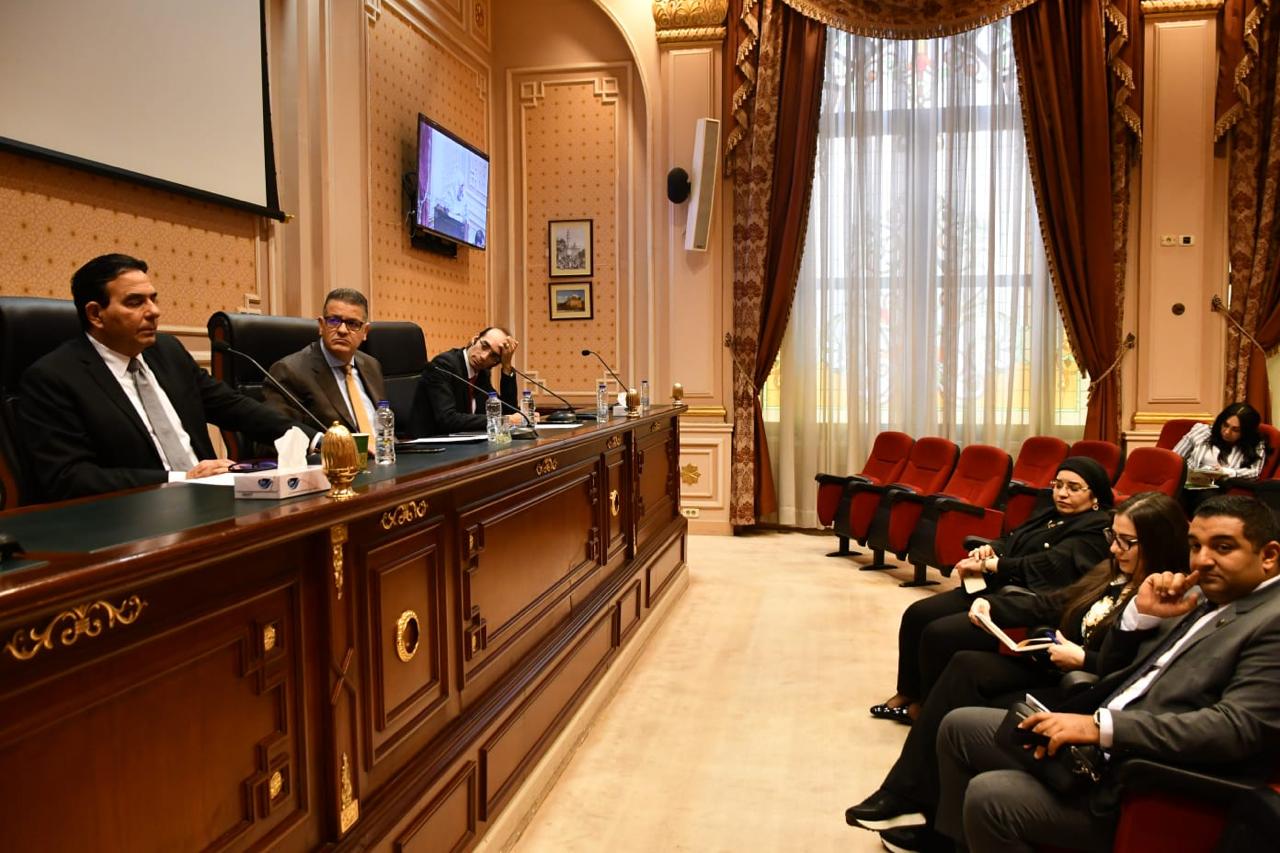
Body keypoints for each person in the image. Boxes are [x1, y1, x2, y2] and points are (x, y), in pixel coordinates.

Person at [930, 495, 1280, 853]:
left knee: (990, 797)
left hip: (1144, 777)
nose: (1203, 560)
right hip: (1099, 740)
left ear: (1268, 555)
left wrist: (1102, 728)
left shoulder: (1271, 620)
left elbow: (1235, 728)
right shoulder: (1199, 593)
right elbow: (1120, 667)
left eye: (1223, 547)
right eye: (1195, 546)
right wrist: (1139, 615)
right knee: (959, 726)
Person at [846, 492, 1188, 850]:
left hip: (1083, 690)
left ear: (1159, 542)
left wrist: (1083, 659)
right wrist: (993, 607)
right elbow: (1057, 602)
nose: (1115, 549)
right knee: (966, 666)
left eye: (1127, 541)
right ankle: (905, 795)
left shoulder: (1165, 598)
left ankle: (936, 825)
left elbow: (1136, 672)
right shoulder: (1114, 570)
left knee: (968, 706)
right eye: (1112, 537)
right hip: (1056, 666)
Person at [18, 253, 303, 502]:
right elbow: (70, 477)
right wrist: (181, 478)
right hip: (131, 517)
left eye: (153, 299)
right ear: (95, 314)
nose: (154, 311)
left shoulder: (167, 351)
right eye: (135, 302)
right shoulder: (54, 377)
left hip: (210, 501)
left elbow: (233, 407)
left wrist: (315, 440)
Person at [871, 457, 1114, 725]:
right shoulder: (1051, 514)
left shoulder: (1095, 528)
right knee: (918, 613)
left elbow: (1048, 565)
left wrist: (993, 564)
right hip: (998, 586)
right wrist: (991, 549)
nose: (1062, 493)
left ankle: (927, 709)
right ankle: (907, 693)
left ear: (1095, 495)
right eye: (1058, 485)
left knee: (940, 633)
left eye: (1073, 488)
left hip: (1025, 601)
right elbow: (1012, 539)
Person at [264, 288, 386, 447]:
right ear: (321, 325)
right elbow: (277, 439)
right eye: (334, 321)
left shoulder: (371, 365)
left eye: (352, 323)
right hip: (335, 460)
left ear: (365, 332)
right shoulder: (290, 371)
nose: (342, 330)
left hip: (386, 455)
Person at [410, 326, 522, 435]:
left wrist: (506, 366)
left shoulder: (482, 373)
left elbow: (507, 411)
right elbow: (448, 419)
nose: (484, 357)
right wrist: (504, 420)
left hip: (463, 440)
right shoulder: (443, 365)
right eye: (484, 346)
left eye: (493, 356)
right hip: (429, 441)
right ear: (474, 339)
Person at [1173, 402, 1265, 482]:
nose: (1227, 432)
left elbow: (1254, 472)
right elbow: (1174, 458)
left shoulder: (1256, 444)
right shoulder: (1201, 431)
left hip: (1221, 487)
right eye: (1225, 425)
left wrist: (1227, 472)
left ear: (1246, 432)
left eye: (1235, 430)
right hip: (1188, 482)